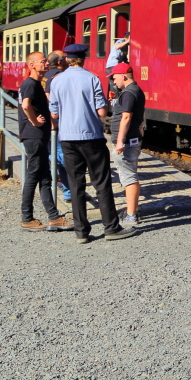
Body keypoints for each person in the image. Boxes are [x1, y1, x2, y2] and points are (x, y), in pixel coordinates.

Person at [48, 43, 137, 244]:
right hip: (91, 137)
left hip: (68, 138)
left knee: (75, 184)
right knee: (101, 183)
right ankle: (111, 227)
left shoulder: (57, 81)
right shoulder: (91, 78)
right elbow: (102, 112)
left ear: (67, 59)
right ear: (83, 58)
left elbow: (53, 112)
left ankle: (81, 232)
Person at [18, 51, 72, 232]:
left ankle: (54, 217)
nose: (47, 64)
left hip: (38, 136)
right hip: (34, 137)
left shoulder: (36, 83)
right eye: (43, 62)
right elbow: (26, 105)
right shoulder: (30, 84)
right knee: (33, 176)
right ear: (32, 65)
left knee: (45, 177)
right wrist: (34, 121)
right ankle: (27, 218)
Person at [107, 62, 145, 227]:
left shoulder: (129, 93)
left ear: (123, 76)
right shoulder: (134, 90)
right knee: (130, 176)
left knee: (128, 177)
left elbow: (126, 117)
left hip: (127, 142)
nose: (114, 82)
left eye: (114, 78)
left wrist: (120, 141)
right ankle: (132, 210)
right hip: (132, 139)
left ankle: (131, 214)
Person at [42, 50, 74, 205]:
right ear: (60, 62)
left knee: (53, 152)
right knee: (61, 156)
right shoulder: (61, 77)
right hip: (57, 122)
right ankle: (69, 191)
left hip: (42, 122)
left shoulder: (43, 76)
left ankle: (65, 189)